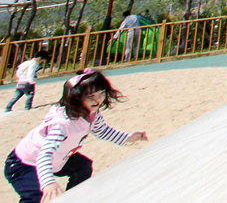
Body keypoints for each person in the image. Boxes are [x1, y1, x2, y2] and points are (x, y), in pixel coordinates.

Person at [5, 69, 146, 203]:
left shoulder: (92, 114)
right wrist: (48, 182)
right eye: (91, 96)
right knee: (35, 195)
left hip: (59, 158)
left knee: (83, 167)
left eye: (102, 93)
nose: (98, 100)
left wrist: (128, 137)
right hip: (24, 163)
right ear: (75, 97)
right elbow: (44, 155)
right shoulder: (62, 125)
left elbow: (102, 131)